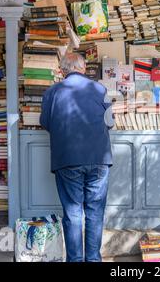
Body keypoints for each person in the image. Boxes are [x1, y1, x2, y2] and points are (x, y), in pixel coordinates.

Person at [40, 52, 114, 262]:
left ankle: (75, 260)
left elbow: (45, 122)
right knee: (95, 211)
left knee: (73, 213)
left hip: (68, 158)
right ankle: (93, 259)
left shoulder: (52, 92)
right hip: (99, 158)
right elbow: (110, 122)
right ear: (83, 68)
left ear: (63, 70)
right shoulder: (100, 89)